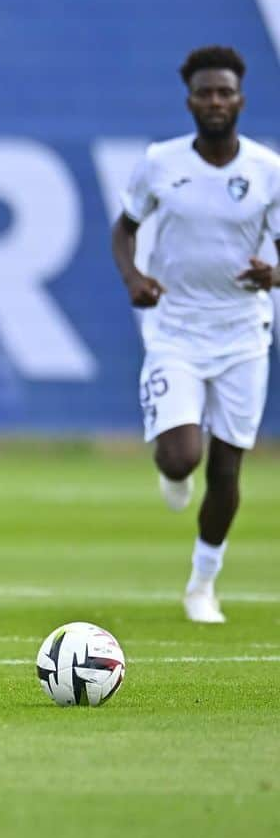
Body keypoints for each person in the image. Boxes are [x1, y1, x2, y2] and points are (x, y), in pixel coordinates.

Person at [111, 45, 280, 623]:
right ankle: (168, 466)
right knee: (183, 458)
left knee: (228, 470)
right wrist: (134, 276)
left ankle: (202, 584)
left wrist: (274, 273)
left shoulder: (266, 171)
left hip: (242, 335)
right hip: (177, 330)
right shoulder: (160, 162)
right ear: (189, 100)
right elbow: (124, 229)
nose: (215, 101)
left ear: (240, 99)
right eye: (205, 92)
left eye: (224, 92)